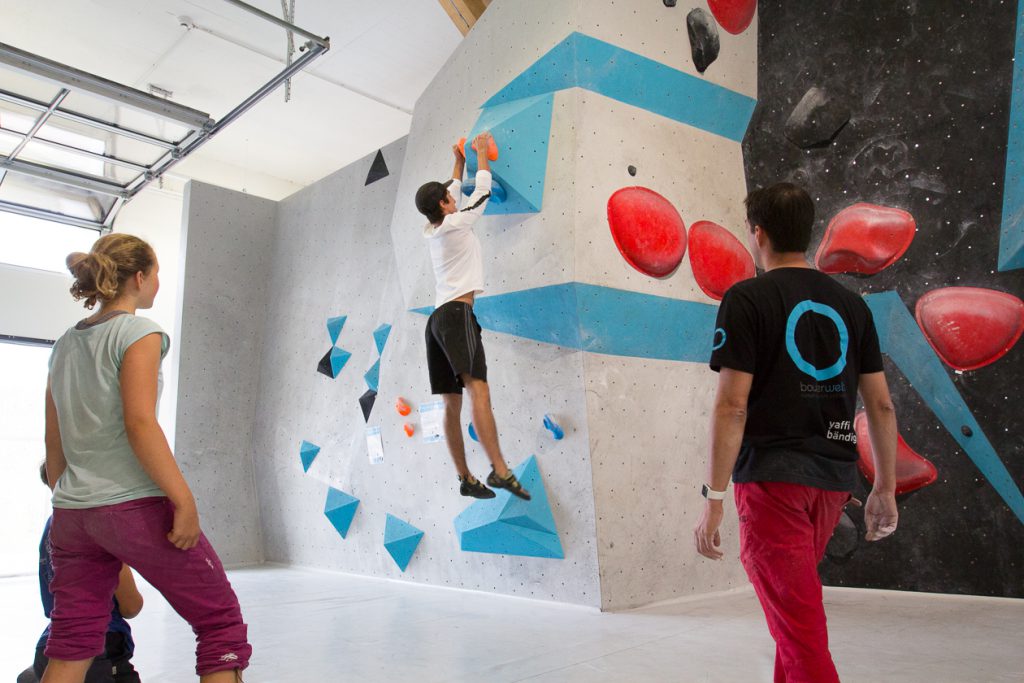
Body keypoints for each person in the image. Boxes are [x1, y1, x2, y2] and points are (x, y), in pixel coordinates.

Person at [693, 183, 899, 683]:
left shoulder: (746, 299)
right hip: (833, 481)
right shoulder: (853, 306)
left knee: (801, 634)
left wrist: (714, 497)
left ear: (756, 232)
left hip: (772, 483)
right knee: (795, 622)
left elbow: (731, 406)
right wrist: (884, 488)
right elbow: (882, 406)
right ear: (808, 233)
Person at [42, 233, 251, 683]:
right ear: (139, 277)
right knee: (220, 625)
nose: (158, 281)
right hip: (132, 506)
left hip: (72, 514)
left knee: (74, 639)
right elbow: (140, 423)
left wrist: (66, 503)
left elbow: (53, 440)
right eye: (156, 273)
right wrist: (184, 500)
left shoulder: (63, 345)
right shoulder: (141, 332)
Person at [415, 131, 530, 501]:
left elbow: (451, 189)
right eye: (450, 198)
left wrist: (458, 163)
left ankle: (465, 476)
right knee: (478, 389)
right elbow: (479, 195)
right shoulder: (456, 222)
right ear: (447, 205)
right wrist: (482, 156)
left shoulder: (434, 226)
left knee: (452, 403)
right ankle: (499, 470)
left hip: (435, 323)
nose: (453, 197)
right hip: (455, 315)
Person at [18, 464, 143, 683]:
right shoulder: (101, 526)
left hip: (49, 647)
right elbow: (131, 605)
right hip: (96, 649)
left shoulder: (52, 527)